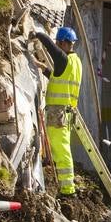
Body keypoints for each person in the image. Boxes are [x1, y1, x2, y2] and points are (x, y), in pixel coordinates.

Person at [31, 26, 81, 195]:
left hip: (58, 113)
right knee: (61, 148)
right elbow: (58, 77)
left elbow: (51, 49)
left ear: (64, 43)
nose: (58, 46)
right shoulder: (75, 62)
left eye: (59, 43)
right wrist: (42, 67)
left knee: (61, 150)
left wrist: (37, 34)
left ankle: (67, 188)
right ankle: (63, 186)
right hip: (64, 112)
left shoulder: (63, 58)